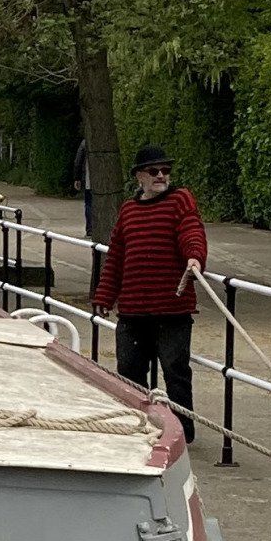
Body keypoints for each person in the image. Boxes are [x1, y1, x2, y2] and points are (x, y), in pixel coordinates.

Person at [96, 144, 208, 442]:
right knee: (129, 369)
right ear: (139, 177)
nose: (161, 175)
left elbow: (191, 229)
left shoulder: (181, 200)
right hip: (133, 309)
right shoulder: (128, 210)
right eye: (154, 171)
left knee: (176, 371)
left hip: (172, 308)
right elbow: (117, 256)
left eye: (166, 170)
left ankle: (183, 432)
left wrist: (194, 257)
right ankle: (138, 423)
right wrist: (104, 297)